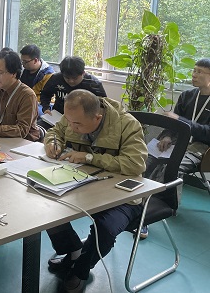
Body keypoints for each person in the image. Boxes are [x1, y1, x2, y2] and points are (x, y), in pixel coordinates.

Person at [43, 90, 147, 293]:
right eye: (69, 121)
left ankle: (81, 270)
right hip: (84, 185)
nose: (72, 127)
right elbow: (55, 131)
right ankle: (73, 250)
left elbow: (135, 164)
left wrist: (90, 158)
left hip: (124, 195)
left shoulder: (126, 124)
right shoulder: (73, 116)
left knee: (105, 227)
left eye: (77, 124)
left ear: (97, 118)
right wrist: (53, 143)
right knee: (47, 205)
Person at [155, 59, 210, 182]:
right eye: (194, 70)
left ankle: (166, 195)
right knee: (147, 159)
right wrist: (167, 136)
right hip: (178, 142)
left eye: (200, 72)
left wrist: (180, 120)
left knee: (171, 167)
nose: (194, 75)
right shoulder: (186, 96)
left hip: (202, 149)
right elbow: (172, 125)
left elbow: (207, 133)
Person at [39, 56, 106, 115]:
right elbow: (45, 94)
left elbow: (103, 104)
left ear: (83, 73)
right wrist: (46, 108)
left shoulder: (93, 83)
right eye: (67, 78)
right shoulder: (56, 78)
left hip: (83, 119)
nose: (71, 81)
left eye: (75, 78)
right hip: (59, 115)